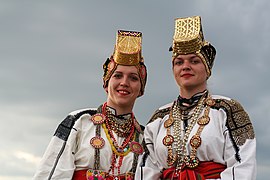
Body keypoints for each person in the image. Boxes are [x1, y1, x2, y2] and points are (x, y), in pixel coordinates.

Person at [135, 16, 256, 180]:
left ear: (207, 69)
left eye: (194, 61)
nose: (186, 66)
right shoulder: (159, 118)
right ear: (173, 70)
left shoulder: (228, 110)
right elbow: (146, 170)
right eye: (179, 62)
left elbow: (242, 168)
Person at [33, 30, 147, 180]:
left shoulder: (145, 138)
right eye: (118, 76)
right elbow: (50, 175)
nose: (124, 83)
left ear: (141, 89)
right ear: (106, 83)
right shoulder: (79, 121)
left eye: (133, 78)